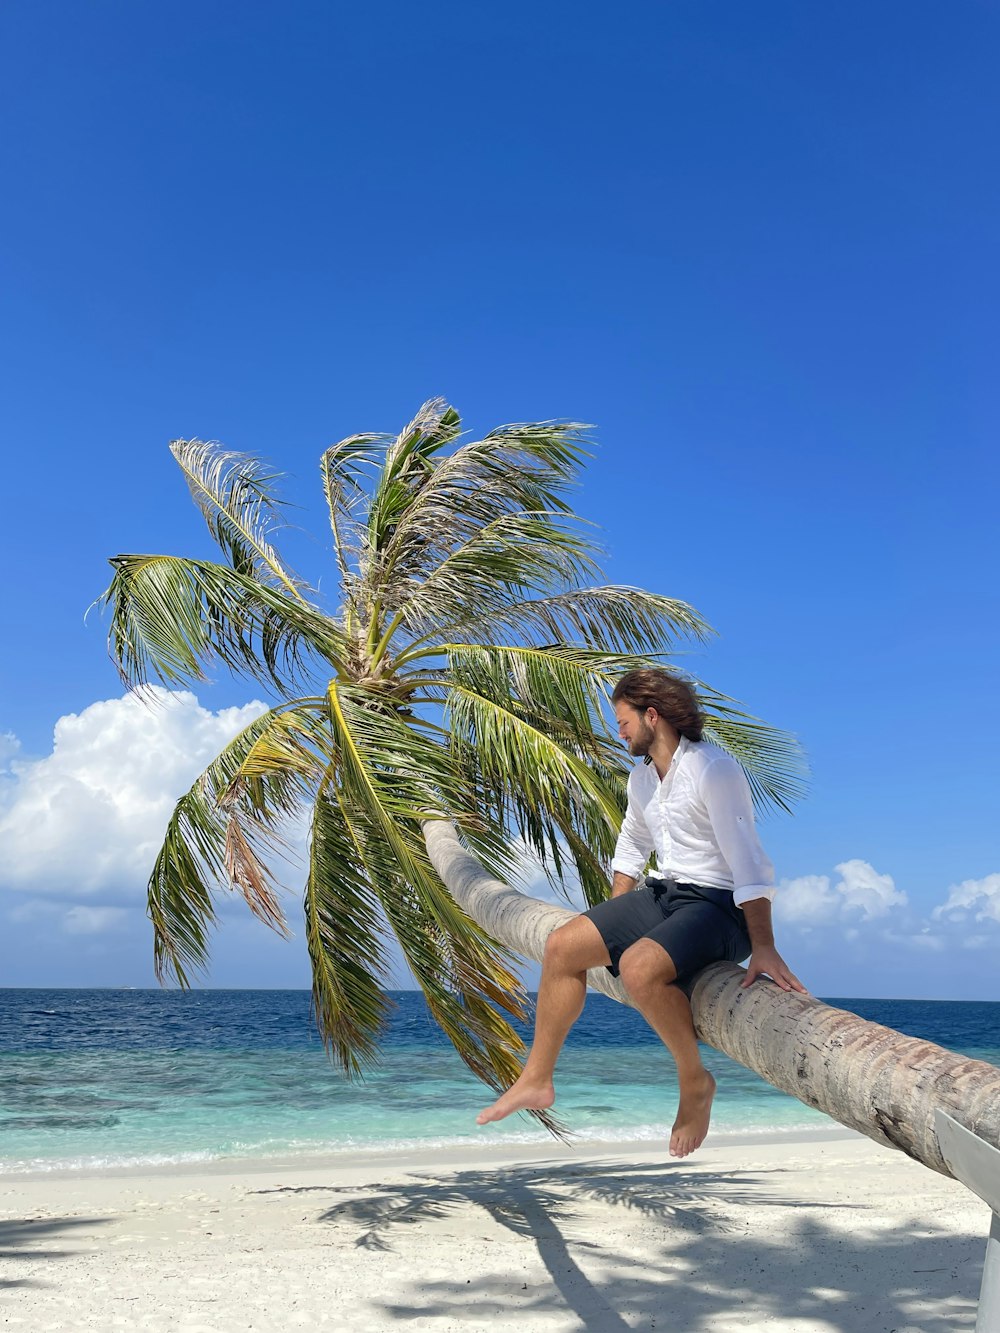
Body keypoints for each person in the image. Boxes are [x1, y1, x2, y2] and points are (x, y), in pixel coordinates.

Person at [476, 666, 806, 1157]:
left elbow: (748, 860)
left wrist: (763, 946)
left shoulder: (713, 769)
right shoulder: (642, 778)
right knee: (563, 945)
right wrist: (614, 920)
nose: (619, 729)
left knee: (638, 968)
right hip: (663, 895)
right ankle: (537, 1077)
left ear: (653, 716)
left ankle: (694, 1081)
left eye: (624, 719)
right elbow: (631, 846)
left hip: (718, 905)